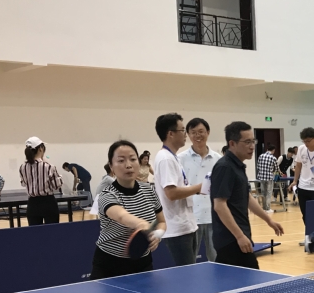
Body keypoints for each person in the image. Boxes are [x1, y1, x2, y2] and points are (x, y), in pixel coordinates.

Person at [211, 122, 284, 268]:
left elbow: (247, 197)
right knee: (250, 276)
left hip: (240, 234)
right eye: (247, 142)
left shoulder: (238, 166)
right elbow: (219, 206)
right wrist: (239, 236)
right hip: (230, 239)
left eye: (253, 141)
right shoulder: (225, 167)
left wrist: (268, 220)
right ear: (232, 143)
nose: (252, 146)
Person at [91, 140, 166, 280]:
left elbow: (162, 222)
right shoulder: (107, 194)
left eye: (133, 159)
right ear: (111, 167)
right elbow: (121, 215)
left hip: (143, 263)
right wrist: (140, 223)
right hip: (109, 266)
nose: (128, 165)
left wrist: (157, 235)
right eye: (121, 160)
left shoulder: (149, 190)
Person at [153, 113, 201, 266]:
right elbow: (171, 193)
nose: (185, 134)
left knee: (190, 272)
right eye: (182, 130)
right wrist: (199, 187)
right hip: (177, 228)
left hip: (186, 225)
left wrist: (196, 189)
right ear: (171, 134)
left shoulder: (172, 157)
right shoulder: (165, 158)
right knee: (187, 275)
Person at [180, 117, 221, 262]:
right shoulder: (180, 159)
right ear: (188, 135)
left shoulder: (218, 159)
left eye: (201, 131)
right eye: (193, 132)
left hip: (214, 216)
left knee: (217, 259)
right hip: (190, 218)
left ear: (208, 132)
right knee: (189, 261)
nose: (198, 135)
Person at [19, 137, 63, 225]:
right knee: (52, 231)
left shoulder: (22, 167)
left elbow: (23, 183)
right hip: (48, 202)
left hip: (32, 204)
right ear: (40, 149)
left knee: (35, 232)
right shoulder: (48, 166)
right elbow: (57, 185)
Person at [256, 143, 278, 213]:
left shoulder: (261, 156)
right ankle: (268, 208)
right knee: (269, 193)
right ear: (273, 150)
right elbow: (276, 168)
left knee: (263, 193)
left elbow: (258, 167)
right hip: (269, 178)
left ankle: (264, 208)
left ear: (267, 149)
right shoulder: (273, 158)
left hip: (261, 177)